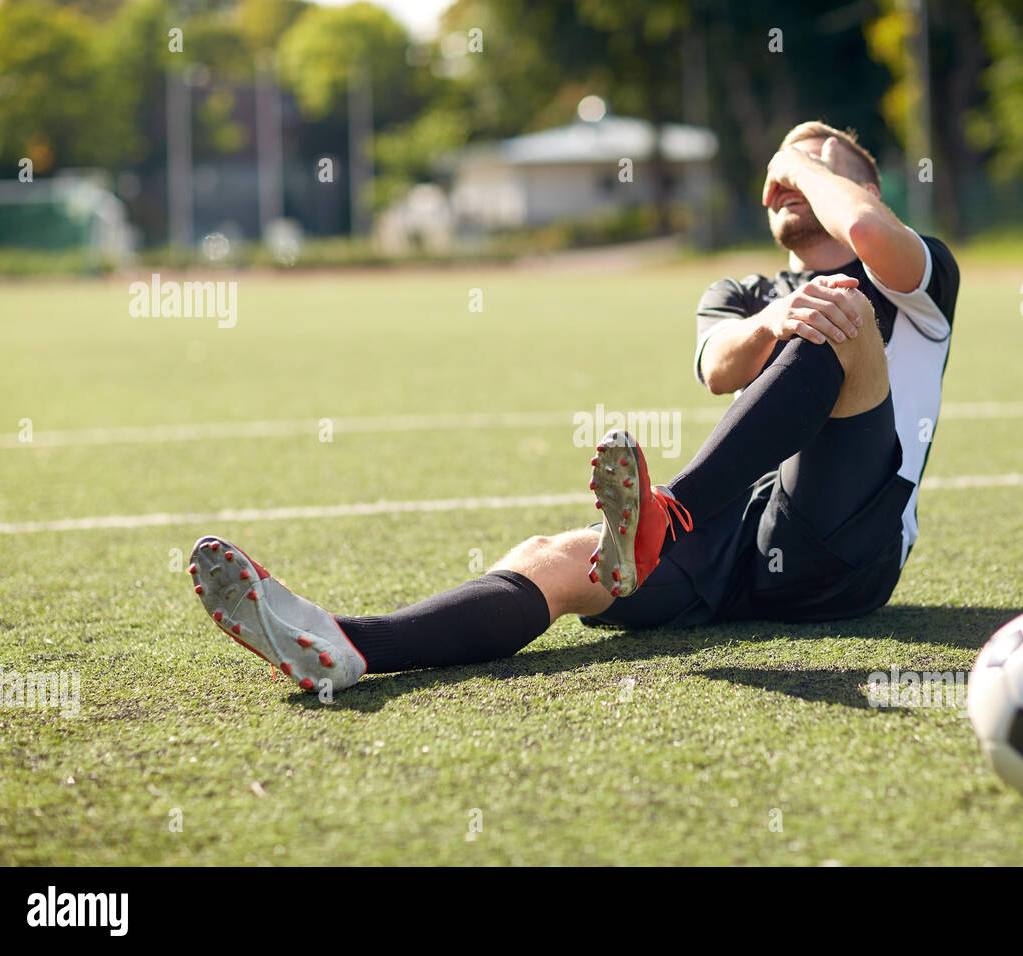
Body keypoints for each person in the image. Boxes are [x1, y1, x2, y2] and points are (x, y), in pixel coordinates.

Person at [187, 121, 959, 695]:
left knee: (839, 309)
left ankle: (667, 515)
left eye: (816, 169)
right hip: (738, 544)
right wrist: (772, 317)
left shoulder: (914, 275)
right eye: (780, 174)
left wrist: (799, 158)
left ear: (866, 189)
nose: (790, 179)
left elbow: (861, 227)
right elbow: (722, 370)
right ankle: (346, 645)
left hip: (849, 546)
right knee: (554, 556)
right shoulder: (738, 294)